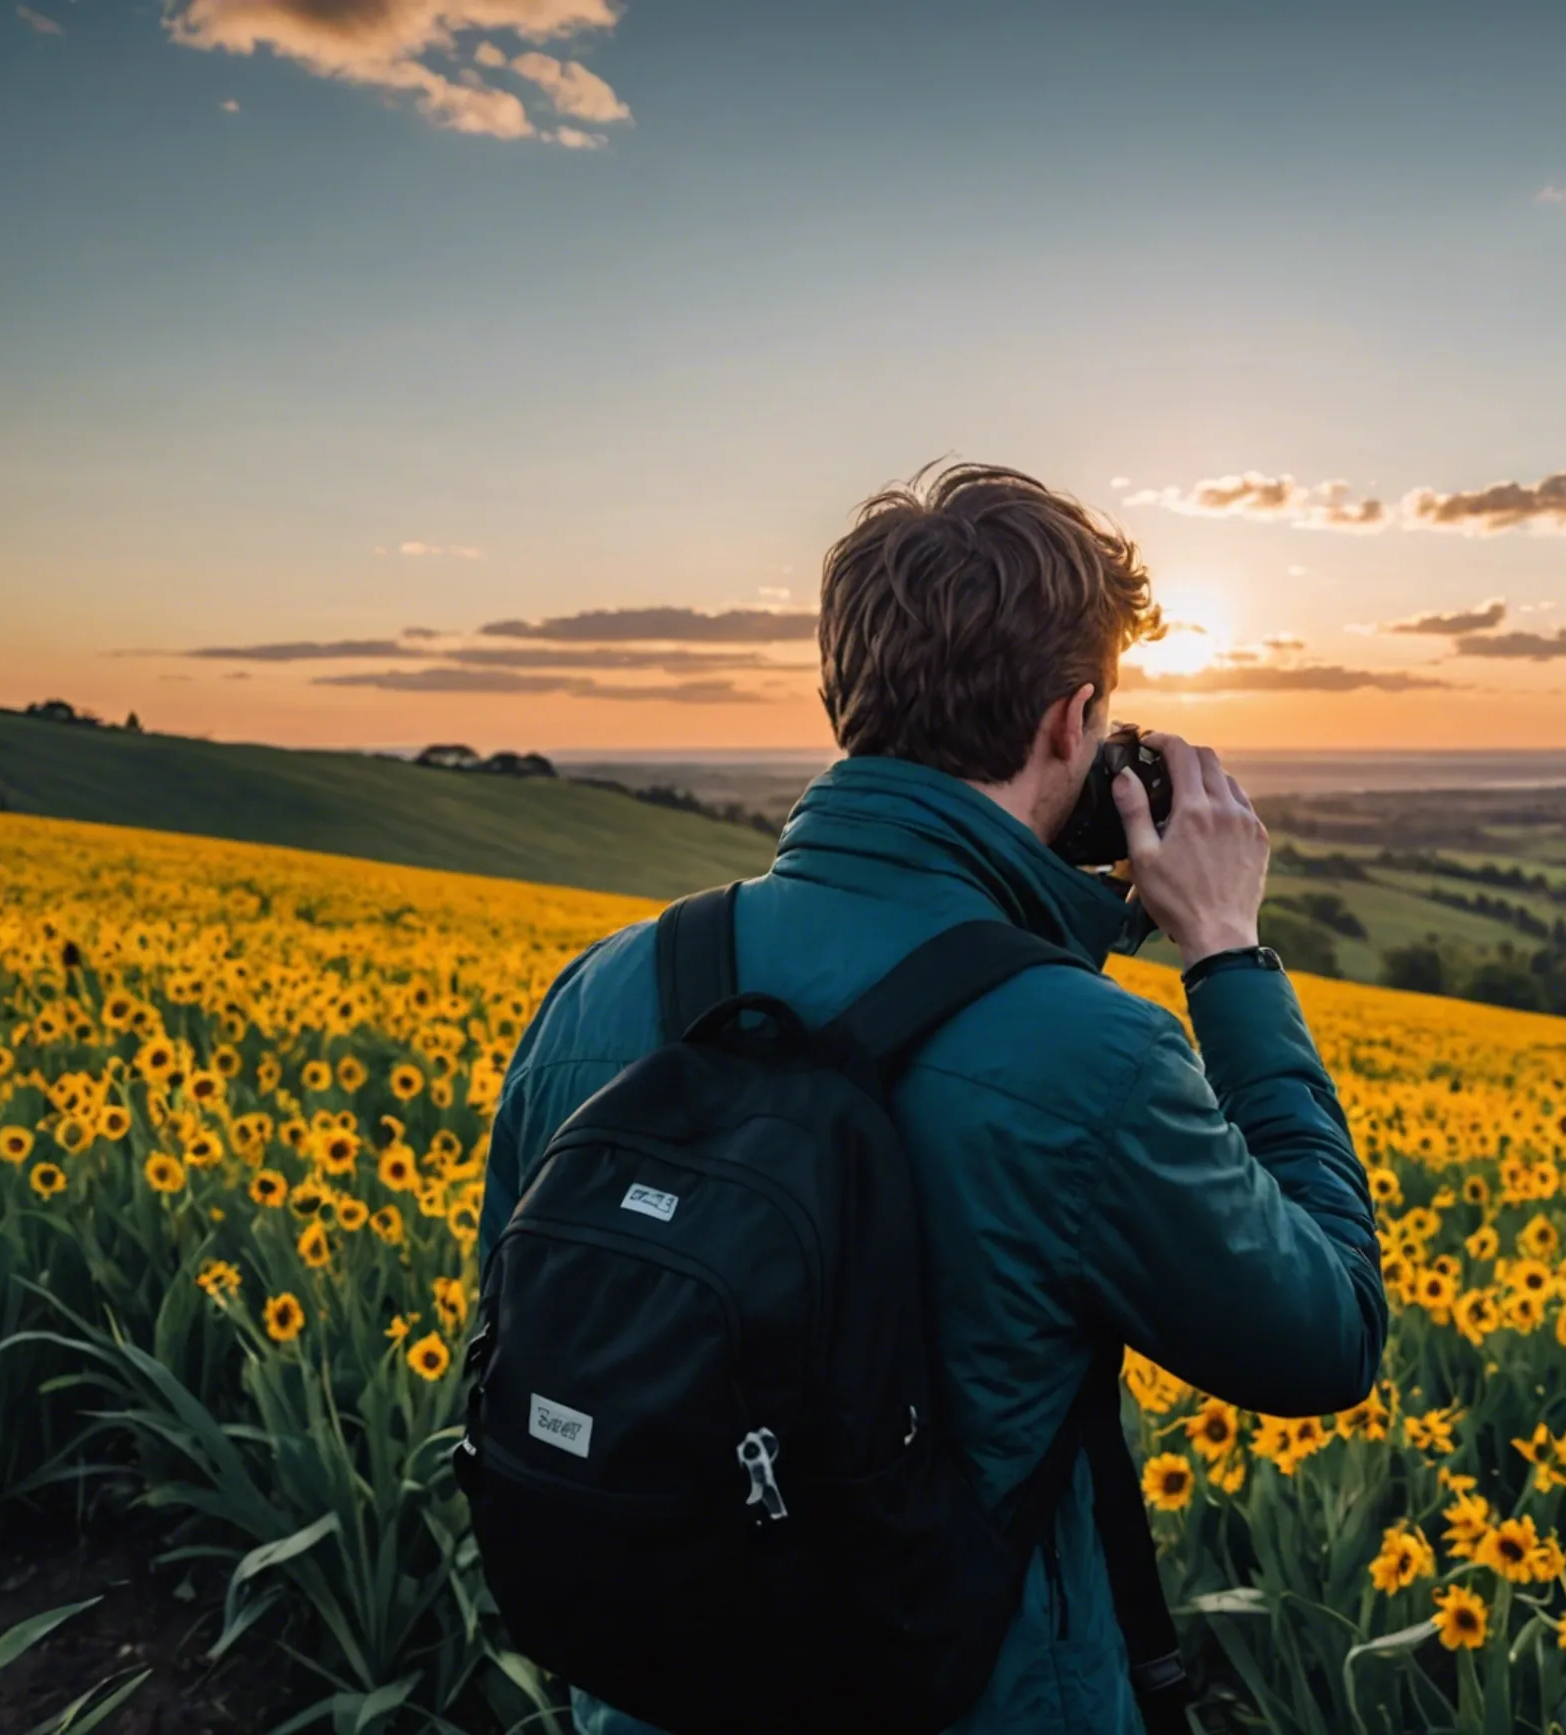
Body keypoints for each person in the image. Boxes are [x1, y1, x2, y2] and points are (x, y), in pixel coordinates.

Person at [479, 463, 1388, 1734]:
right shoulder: (1096, 1059)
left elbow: (517, 1344)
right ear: (1074, 724)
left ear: (838, 695)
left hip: (648, 1699)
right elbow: (1329, 1334)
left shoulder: (599, 994)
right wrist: (1228, 955)